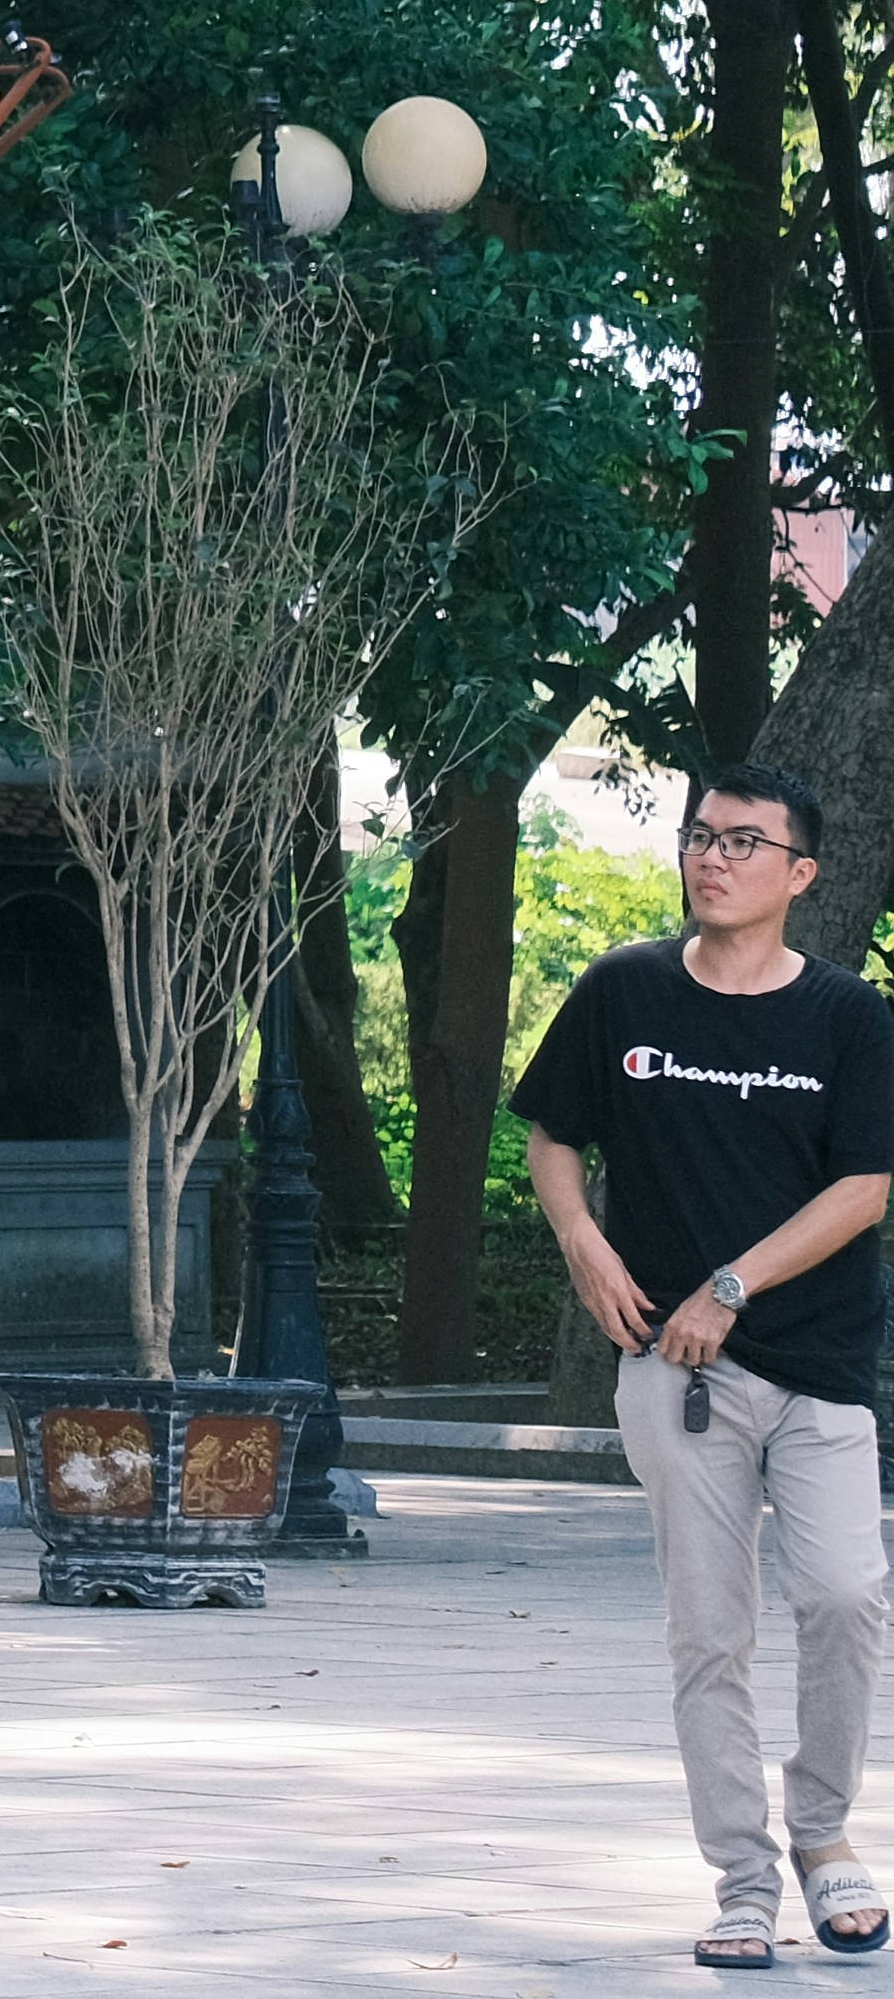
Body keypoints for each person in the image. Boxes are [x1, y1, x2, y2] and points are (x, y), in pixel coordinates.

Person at [524, 758, 894, 1971]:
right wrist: (583, 1239)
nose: (714, 856)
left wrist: (730, 1285)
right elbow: (554, 1131)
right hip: (675, 1376)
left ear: (801, 873)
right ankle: (743, 1877)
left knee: (845, 1595)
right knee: (709, 1627)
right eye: (700, 835)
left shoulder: (847, 1013)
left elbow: (866, 1185)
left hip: (816, 1362)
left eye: (745, 840)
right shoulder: (626, 989)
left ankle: (827, 1837)